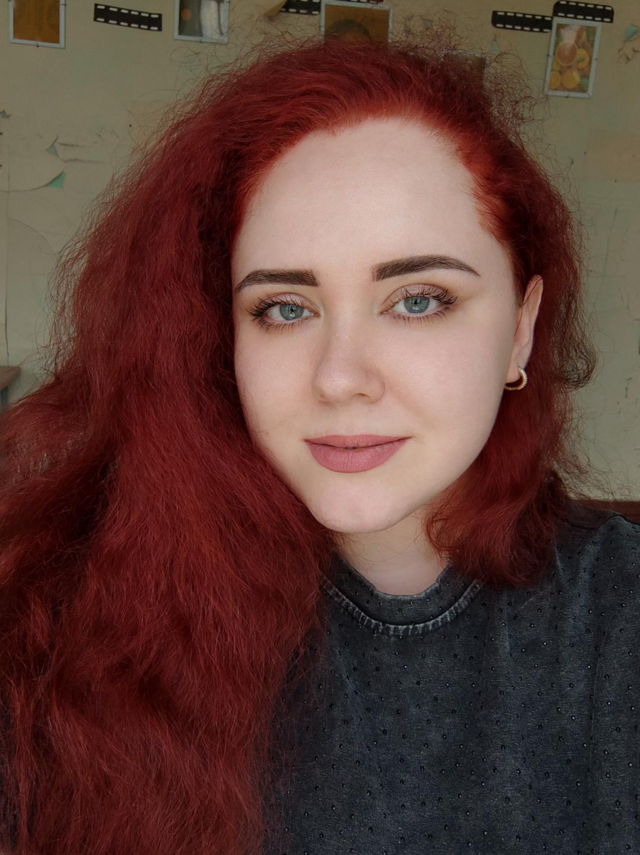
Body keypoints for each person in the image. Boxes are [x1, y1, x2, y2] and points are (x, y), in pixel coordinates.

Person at [0, 23, 637, 855]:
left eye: (418, 299)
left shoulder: (617, 616)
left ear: (521, 328)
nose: (340, 377)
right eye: (285, 308)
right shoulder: (62, 618)